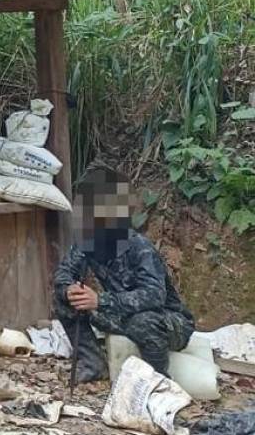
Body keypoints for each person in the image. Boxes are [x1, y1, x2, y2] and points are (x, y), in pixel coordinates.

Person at [53, 163, 194, 382]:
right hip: (121, 314)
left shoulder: (140, 247)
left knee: (143, 321)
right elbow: (63, 274)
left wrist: (100, 301)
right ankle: (92, 364)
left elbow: (154, 297)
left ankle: (157, 381)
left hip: (167, 322)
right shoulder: (87, 242)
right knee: (64, 301)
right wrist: (69, 290)